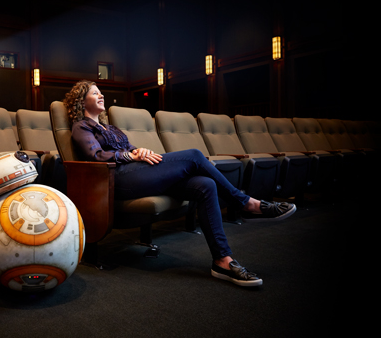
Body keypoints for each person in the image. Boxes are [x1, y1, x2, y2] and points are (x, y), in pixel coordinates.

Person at [63, 80, 296, 287]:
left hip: (137, 174)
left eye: (100, 92)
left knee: (206, 185)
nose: (101, 95)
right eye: (95, 93)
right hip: (117, 180)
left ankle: (223, 260)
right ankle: (246, 204)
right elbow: (95, 156)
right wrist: (131, 156)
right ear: (82, 102)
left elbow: (130, 148)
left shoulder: (110, 127)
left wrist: (139, 151)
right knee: (194, 155)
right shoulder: (81, 127)